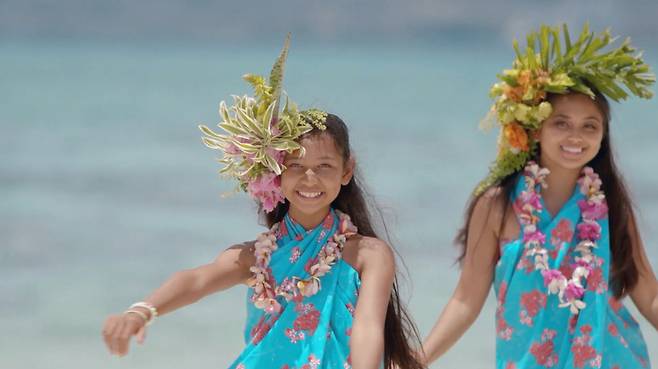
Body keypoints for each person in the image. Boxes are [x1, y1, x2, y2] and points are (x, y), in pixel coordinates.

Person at [101, 36, 424, 369]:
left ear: (346, 171)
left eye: (324, 167)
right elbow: (196, 280)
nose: (309, 179)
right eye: (295, 167)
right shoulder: (256, 258)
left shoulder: (369, 255)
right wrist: (142, 310)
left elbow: (369, 330)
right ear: (274, 173)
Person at [420, 24, 657, 368]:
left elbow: (646, 290)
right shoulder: (497, 204)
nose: (576, 135)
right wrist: (416, 359)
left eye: (590, 125)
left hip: (612, 358)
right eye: (561, 122)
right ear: (536, 128)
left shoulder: (610, 205)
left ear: (603, 136)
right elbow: (466, 300)